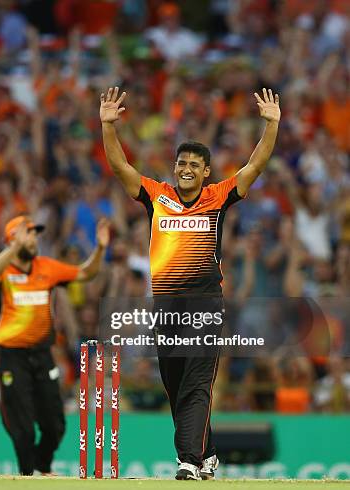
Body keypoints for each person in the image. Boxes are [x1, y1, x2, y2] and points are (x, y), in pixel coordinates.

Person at [100, 86, 280, 479]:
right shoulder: (157, 196)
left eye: (193, 165)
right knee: (176, 386)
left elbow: (255, 167)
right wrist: (108, 127)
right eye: (181, 162)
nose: (185, 169)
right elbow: (120, 169)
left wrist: (271, 125)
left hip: (204, 304)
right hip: (165, 306)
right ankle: (209, 451)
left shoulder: (217, 197)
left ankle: (188, 462)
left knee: (197, 383)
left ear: (205, 171)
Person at [0, 215, 110, 476]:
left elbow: (86, 272)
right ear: (13, 239)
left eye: (34, 234)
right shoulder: (3, 272)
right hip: (11, 356)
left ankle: (42, 465)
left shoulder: (47, 267)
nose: (34, 239)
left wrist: (99, 248)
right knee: (24, 429)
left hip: (42, 354)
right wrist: (12, 250)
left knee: (55, 425)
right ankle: (28, 477)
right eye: (28, 233)